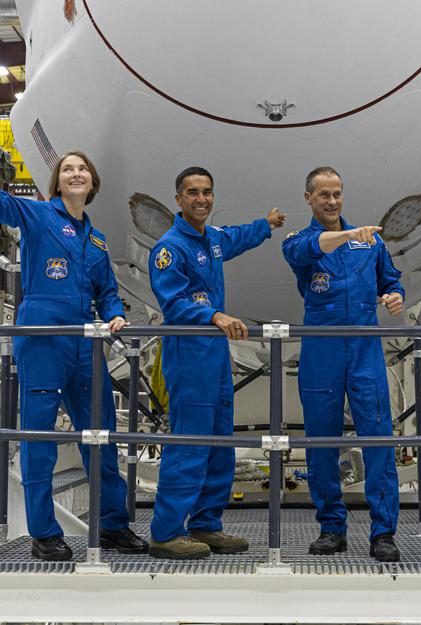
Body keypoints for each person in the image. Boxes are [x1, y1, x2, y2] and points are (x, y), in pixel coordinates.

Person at [0, 116, 147, 561]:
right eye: (68, 169)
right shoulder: (37, 215)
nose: (76, 173)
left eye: (83, 169)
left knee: (101, 434)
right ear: (58, 182)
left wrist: (114, 316)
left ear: (92, 183)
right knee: (38, 437)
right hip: (41, 336)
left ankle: (114, 524)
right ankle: (44, 532)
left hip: (85, 340)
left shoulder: (96, 241)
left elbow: (108, 293)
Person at [147, 166, 286, 559]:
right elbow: (172, 302)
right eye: (193, 193)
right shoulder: (170, 248)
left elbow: (237, 237)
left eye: (207, 192)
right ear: (178, 199)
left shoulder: (212, 240)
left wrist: (267, 224)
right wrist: (214, 317)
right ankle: (166, 532)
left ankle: (206, 524)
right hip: (189, 354)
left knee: (220, 445)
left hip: (215, 359)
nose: (201, 199)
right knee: (190, 445)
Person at [282, 166, 405, 563]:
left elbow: (392, 281)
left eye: (337, 193)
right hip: (322, 350)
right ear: (309, 199)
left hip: (366, 348)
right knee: (321, 443)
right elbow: (308, 249)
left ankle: (383, 532)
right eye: (323, 195)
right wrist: (348, 235)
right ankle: (331, 527)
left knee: (378, 439)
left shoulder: (369, 245)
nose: (332, 201)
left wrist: (395, 297)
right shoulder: (299, 242)